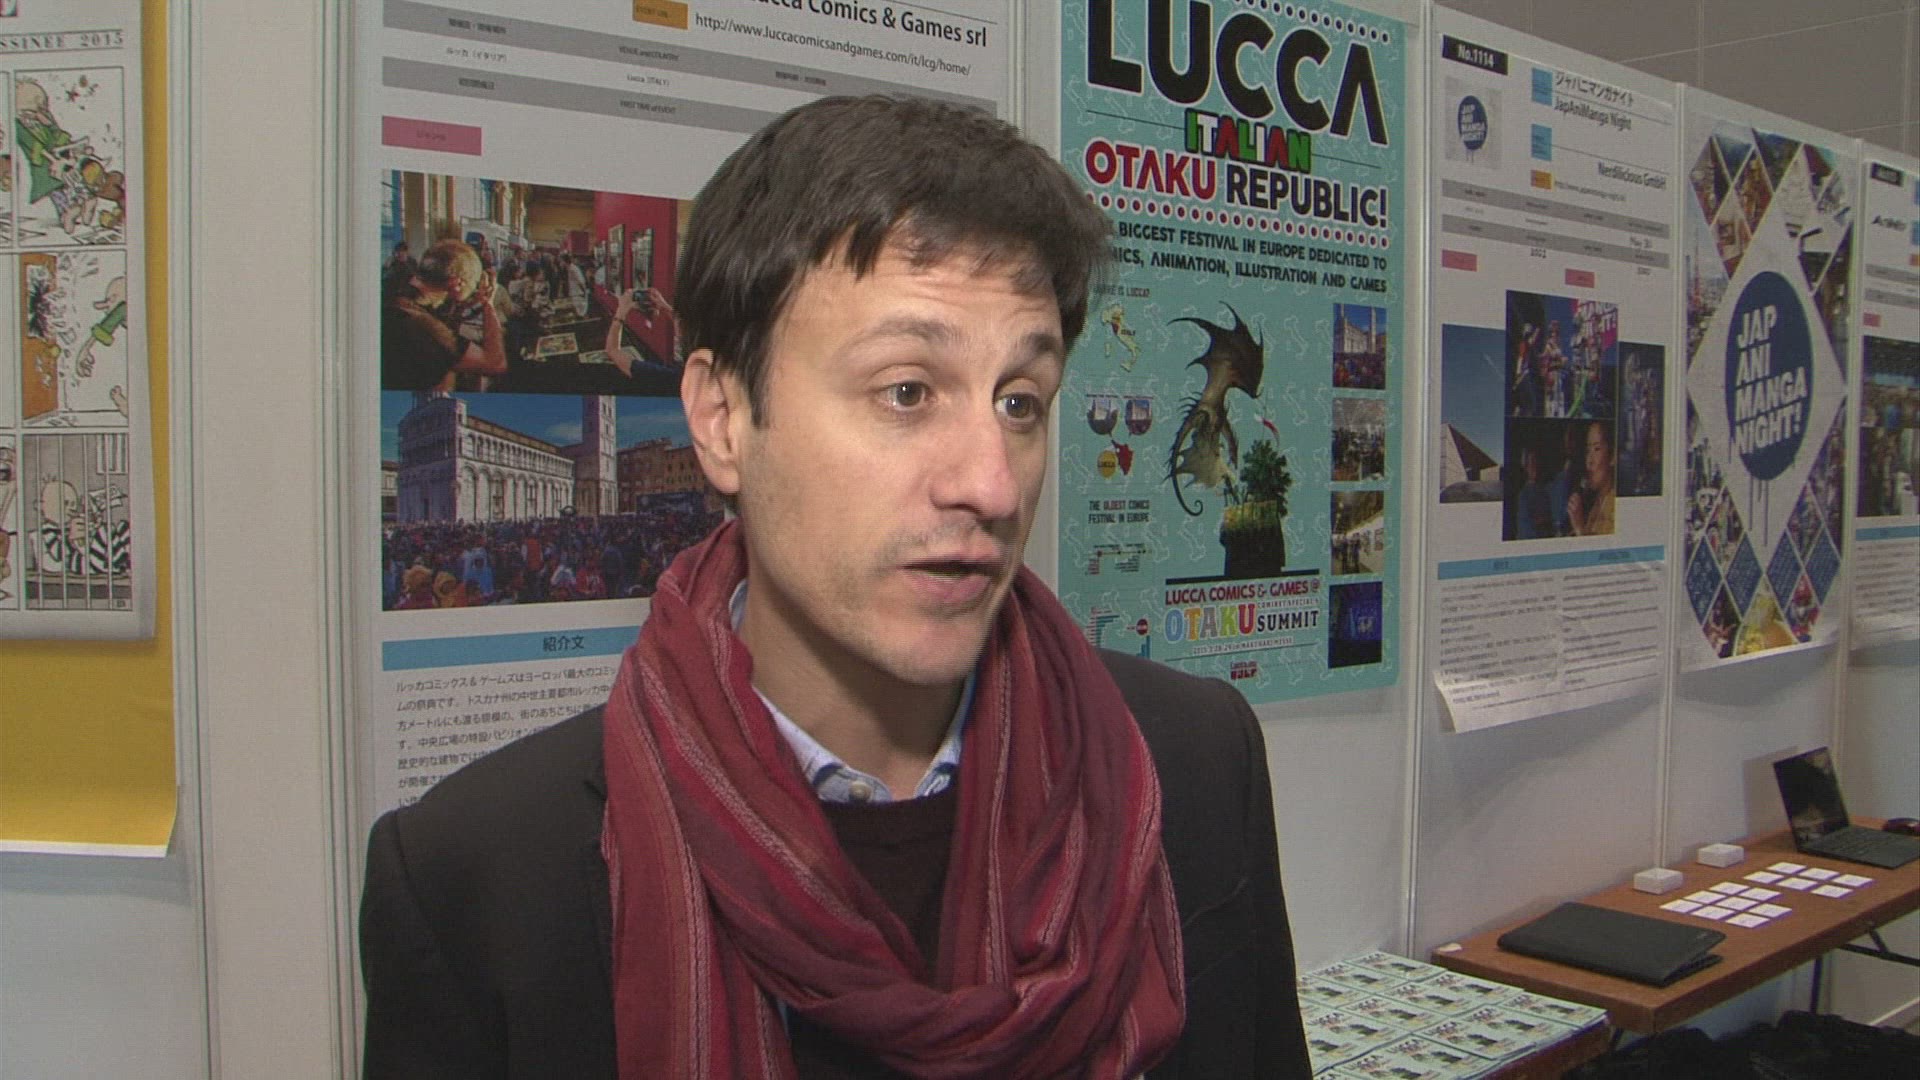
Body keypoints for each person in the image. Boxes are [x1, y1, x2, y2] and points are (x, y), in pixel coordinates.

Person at [360, 96, 1311, 1080]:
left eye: (1019, 401)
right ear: (723, 419)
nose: (991, 484)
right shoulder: (478, 882)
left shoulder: (1192, 764)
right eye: (907, 391)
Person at [381, 238, 508, 392]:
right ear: (457, 283)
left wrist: (460, 305)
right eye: (472, 283)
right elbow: (495, 363)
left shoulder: (395, 293)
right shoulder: (424, 326)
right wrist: (488, 304)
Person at [1567, 420, 1617, 536]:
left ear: (1612, 456)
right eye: (1588, 451)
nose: (1589, 461)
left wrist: (1579, 528)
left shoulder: (1616, 504)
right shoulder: (1598, 502)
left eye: (1596, 449)